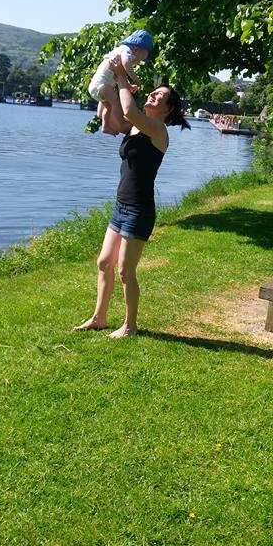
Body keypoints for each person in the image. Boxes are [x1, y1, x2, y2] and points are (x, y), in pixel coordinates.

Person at [75, 58, 190, 338]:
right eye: (154, 92)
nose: (152, 94)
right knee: (104, 262)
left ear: (167, 109)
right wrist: (110, 89)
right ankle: (99, 318)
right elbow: (116, 119)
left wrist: (122, 76)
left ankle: (130, 325)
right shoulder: (135, 126)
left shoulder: (157, 130)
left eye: (159, 96)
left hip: (139, 210)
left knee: (126, 271)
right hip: (121, 206)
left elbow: (129, 109)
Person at [88, 29, 153, 135]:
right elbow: (126, 63)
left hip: (97, 86)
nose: (138, 62)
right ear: (136, 49)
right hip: (101, 85)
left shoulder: (118, 52)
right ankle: (122, 123)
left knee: (109, 106)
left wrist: (128, 86)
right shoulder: (126, 51)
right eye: (141, 59)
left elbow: (118, 77)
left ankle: (105, 126)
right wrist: (135, 78)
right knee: (116, 103)